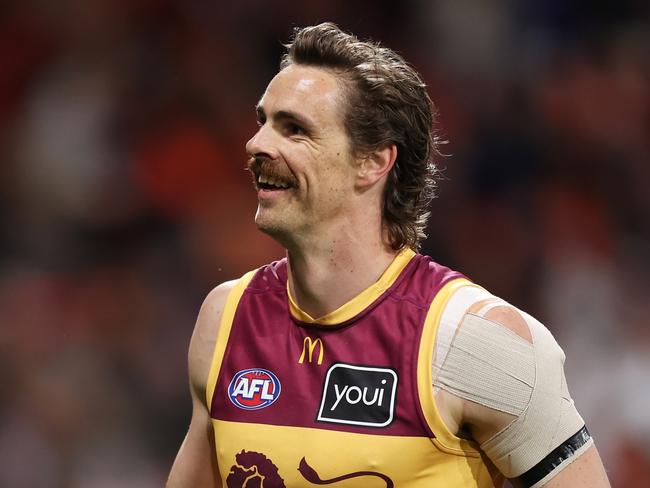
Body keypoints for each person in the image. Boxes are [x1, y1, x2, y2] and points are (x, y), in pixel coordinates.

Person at [167, 23, 610, 487]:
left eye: (294, 129)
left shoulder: (474, 340)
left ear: (373, 161)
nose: (257, 144)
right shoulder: (225, 319)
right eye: (263, 122)